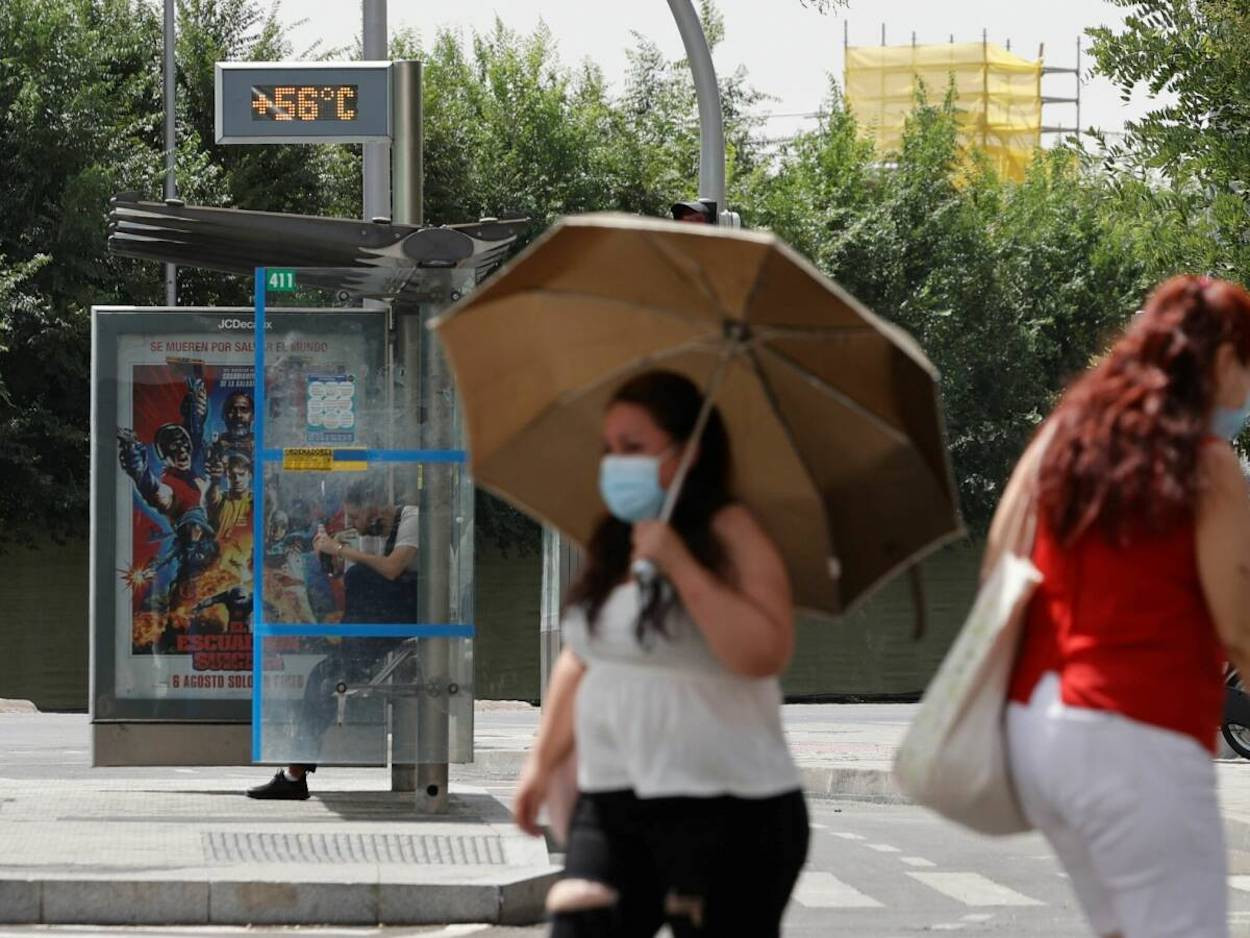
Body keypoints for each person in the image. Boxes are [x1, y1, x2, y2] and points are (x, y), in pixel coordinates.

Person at [997, 275, 1250, 938]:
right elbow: (1241, 627)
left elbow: (1002, 558)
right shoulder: (1206, 464)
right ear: (1222, 361)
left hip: (1041, 731)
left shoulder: (1067, 438)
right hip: (1139, 735)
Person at [513, 370, 808, 937]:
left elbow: (764, 652)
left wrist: (681, 565)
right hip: (614, 800)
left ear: (687, 452)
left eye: (634, 447)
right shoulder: (615, 539)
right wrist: (540, 763)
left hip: (729, 807)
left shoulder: (731, 530)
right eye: (609, 449)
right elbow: (583, 657)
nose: (616, 463)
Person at [247, 476, 419, 800]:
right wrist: (338, 555)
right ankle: (295, 774)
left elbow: (393, 569)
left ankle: (295, 775)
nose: (353, 524)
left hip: (405, 624)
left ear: (375, 507)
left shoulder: (411, 520)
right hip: (374, 632)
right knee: (320, 679)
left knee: (327, 674)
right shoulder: (371, 533)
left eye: (355, 517)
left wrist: (343, 549)